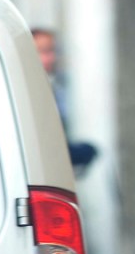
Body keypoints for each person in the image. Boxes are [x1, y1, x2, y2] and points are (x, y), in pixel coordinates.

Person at [32, 27, 97, 175]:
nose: (51, 58)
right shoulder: (29, 93)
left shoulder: (51, 86)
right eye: (42, 51)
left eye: (52, 51)